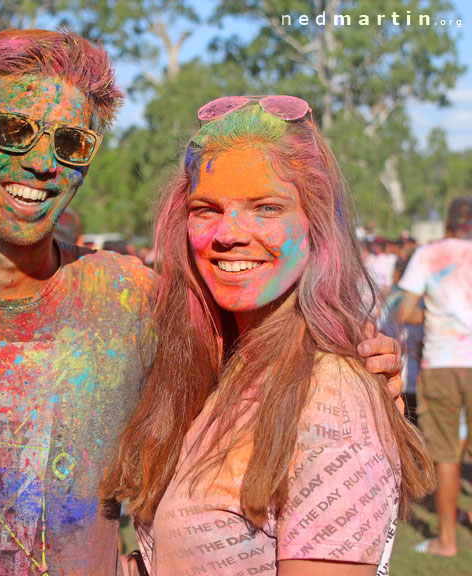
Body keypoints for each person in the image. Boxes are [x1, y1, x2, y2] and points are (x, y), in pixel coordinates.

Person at [0, 31, 402, 576]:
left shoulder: (133, 300)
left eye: (72, 143)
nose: (43, 162)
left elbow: (268, 365)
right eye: (17, 132)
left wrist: (362, 363)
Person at [101, 96, 434, 575]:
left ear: (316, 224)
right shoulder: (218, 364)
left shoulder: (335, 397)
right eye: (206, 209)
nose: (229, 233)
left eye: (266, 207)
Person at [397, 195, 472, 557]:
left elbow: (404, 311)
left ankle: (446, 540)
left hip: (443, 361)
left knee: (446, 455)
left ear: (449, 223)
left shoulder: (430, 254)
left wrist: (434, 318)